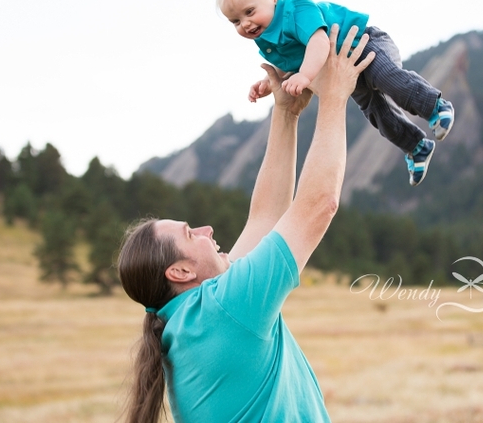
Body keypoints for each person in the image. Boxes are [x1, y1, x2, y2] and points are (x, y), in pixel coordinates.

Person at [117, 25, 375, 423]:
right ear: (180, 271)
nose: (207, 231)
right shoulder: (223, 309)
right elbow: (318, 205)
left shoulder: (190, 320)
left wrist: (286, 113)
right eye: (190, 234)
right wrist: (336, 95)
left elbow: (266, 218)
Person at [217, 0, 455, 186]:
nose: (245, 24)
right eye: (235, 21)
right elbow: (291, 60)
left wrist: (305, 76)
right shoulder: (267, 37)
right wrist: (270, 82)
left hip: (362, 43)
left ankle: (435, 106)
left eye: (249, 11)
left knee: (387, 77)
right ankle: (416, 147)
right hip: (344, 70)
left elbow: (319, 42)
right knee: (376, 112)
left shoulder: (296, 9)